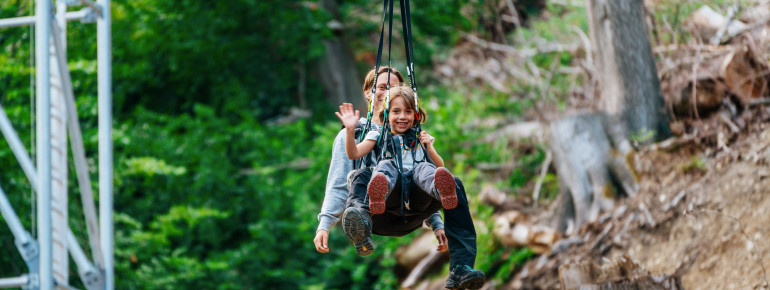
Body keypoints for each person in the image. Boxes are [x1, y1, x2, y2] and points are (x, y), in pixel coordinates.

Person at [314, 68, 485, 289]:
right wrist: (324, 224)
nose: (388, 92)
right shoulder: (358, 133)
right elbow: (338, 183)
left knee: (452, 182)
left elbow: (427, 176)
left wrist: (437, 223)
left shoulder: (413, 134)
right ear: (368, 92)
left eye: (393, 87)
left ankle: (461, 268)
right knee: (364, 174)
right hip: (379, 212)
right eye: (382, 87)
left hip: (413, 209)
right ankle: (361, 222)